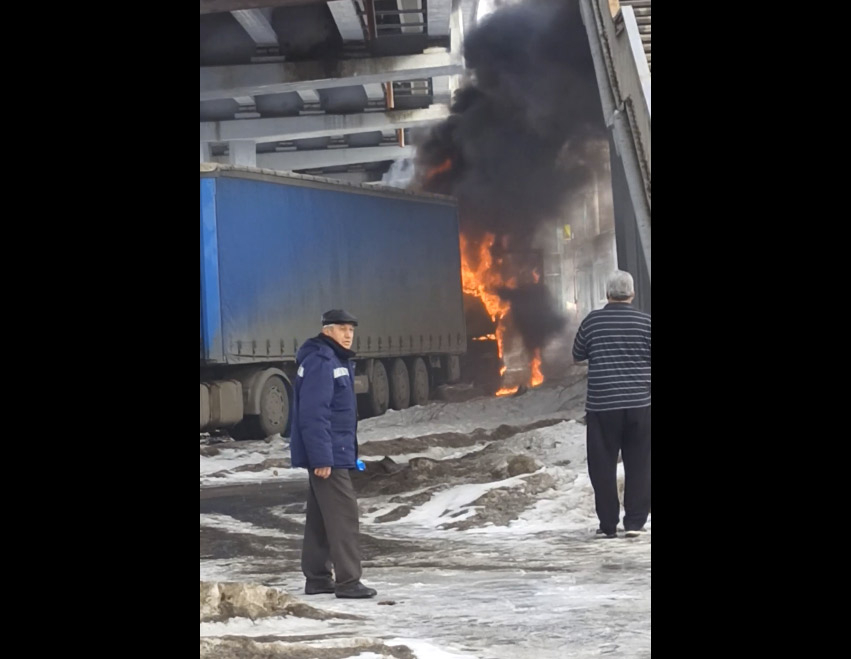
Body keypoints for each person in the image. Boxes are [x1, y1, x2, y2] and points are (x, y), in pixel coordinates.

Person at [290, 309, 377, 598]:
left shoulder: (333, 359)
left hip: (334, 450)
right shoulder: (322, 361)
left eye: (351, 329)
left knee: (320, 517)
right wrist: (322, 457)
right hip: (330, 453)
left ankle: (316, 578)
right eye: (342, 329)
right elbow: (313, 414)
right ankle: (349, 581)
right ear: (327, 331)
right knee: (343, 516)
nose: (348, 334)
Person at [572, 270, 651, 539]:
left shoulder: (593, 321)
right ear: (632, 293)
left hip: (602, 406)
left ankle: (608, 525)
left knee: (602, 465)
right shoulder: (645, 323)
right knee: (640, 462)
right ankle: (635, 523)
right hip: (639, 404)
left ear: (607, 293)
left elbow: (577, 353)